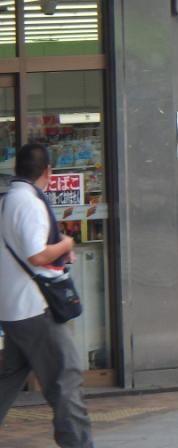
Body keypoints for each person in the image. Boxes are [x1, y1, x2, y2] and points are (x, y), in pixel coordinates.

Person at [0, 143, 93, 448]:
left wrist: (59, 255)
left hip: (15, 309)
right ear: (48, 172)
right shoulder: (28, 203)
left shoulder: (7, 200)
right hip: (36, 309)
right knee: (66, 382)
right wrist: (65, 245)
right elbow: (37, 255)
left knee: (8, 380)